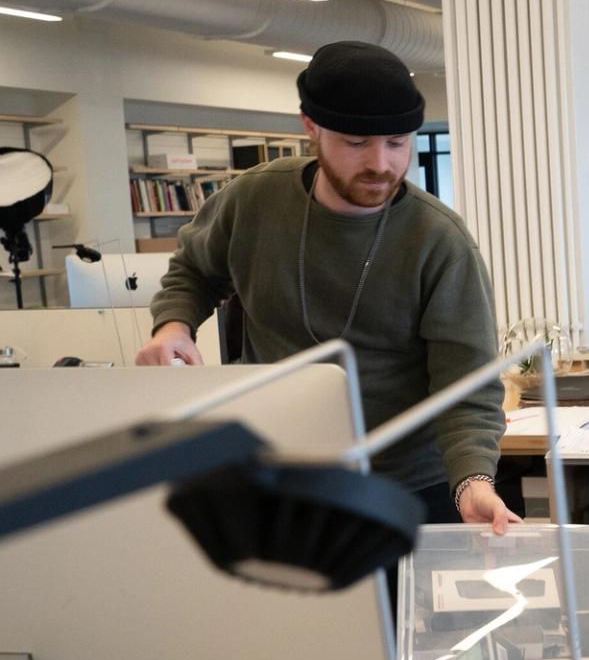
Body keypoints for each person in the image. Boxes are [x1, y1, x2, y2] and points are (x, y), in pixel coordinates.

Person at [137, 40, 513, 530]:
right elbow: (194, 270)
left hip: (404, 488)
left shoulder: (440, 241)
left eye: (398, 142)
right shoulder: (252, 200)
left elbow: (466, 387)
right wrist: (173, 326)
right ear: (311, 127)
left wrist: (472, 482)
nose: (381, 163)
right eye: (357, 143)